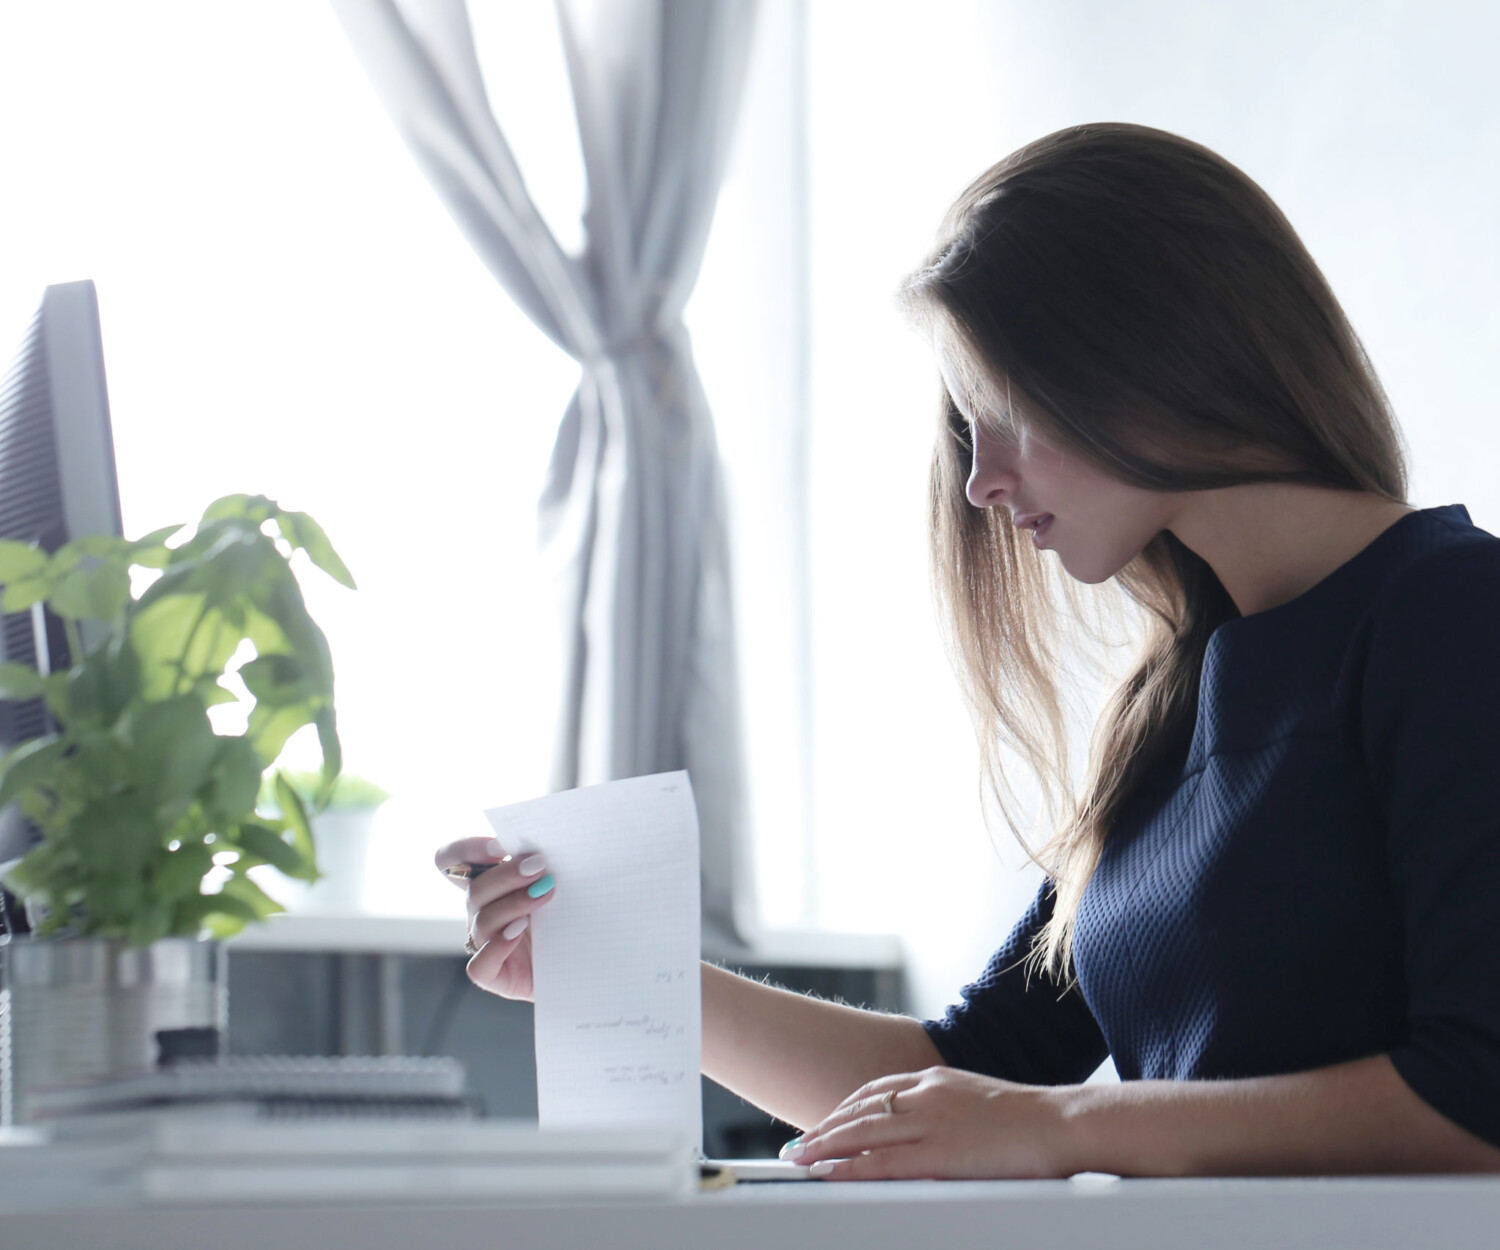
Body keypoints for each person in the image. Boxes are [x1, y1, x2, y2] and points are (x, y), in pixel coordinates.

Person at [434, 122, 1500, 1179]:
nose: (982, 481)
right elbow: (964, 1073)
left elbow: (1478, 1092)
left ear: (1150, 350)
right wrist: (620, 966)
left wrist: (1066, 1124)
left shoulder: (1454, 613)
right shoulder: (1171, 709)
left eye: (1003, 411)